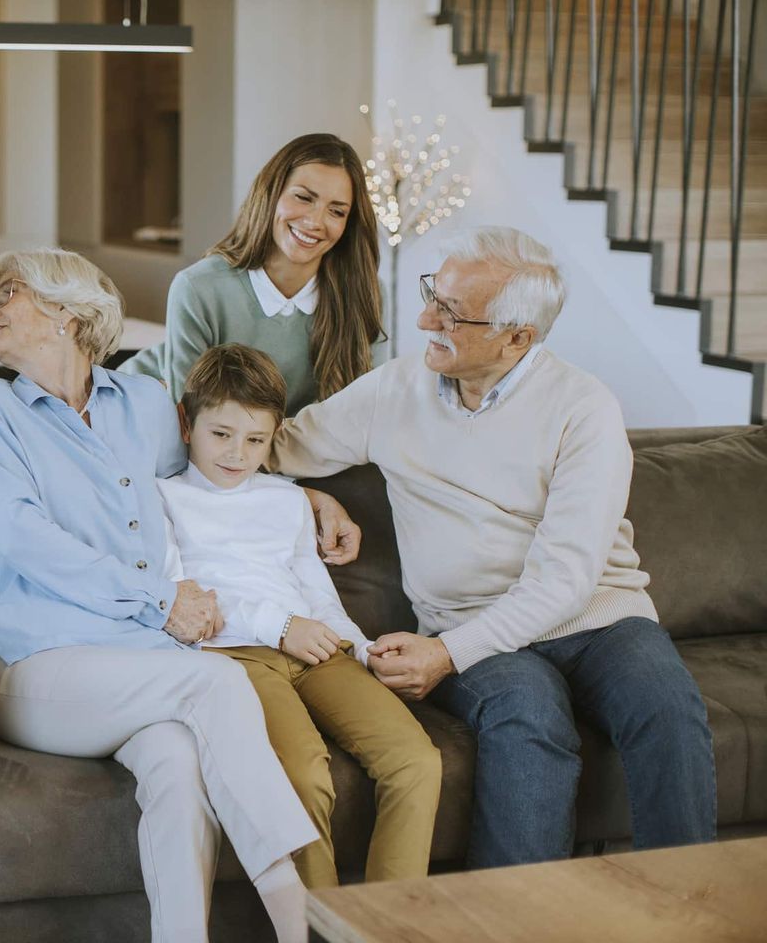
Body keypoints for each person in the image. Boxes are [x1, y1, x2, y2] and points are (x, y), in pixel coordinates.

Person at [272, 226, 717, 869]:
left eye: (450, 312)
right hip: (468, 618)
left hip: (595, 614)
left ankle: (690, 913)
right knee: (528, 720)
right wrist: (304, 497)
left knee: (669, 709)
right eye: (434, 295)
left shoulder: (583, 408)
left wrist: (445, 656)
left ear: (517, 338)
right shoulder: (392, 392)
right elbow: (267, 447)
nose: (425, 318)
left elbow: (566, 579)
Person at [0, 248, 325, 943]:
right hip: (31, 661)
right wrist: (159, 598)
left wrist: (311, 502)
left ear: (65, 313)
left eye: (6, 293)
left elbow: (218, 484)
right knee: (213, 685)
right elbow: (23, 536)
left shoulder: (145, 406)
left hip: (138, 660)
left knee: (180, 766)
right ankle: (302, 925)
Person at [159, 343, 441, 888]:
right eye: (221, 434)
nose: (238, 454)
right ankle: (318, 927)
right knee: (304, 777)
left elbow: (318, 596)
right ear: (185, 421)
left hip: (317, 648)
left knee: (417, 762)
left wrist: (361, 648)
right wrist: (279, 627)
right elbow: (183, 598)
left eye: (256, 440)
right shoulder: (162, 499)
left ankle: (385, 923)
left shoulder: (287, 500)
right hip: (235, 656)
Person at [120, 133, 383, 412]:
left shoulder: (363, 293)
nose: (315, 221)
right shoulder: (199, 287)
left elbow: (364, 412)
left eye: (337, 211)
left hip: (262, 447)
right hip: (144, 420)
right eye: (304, 198)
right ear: (271, 194)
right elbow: (192, 422)